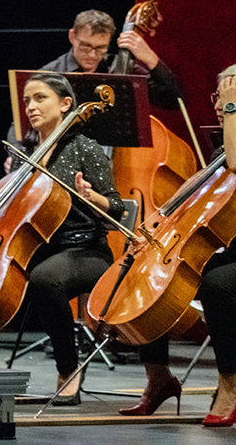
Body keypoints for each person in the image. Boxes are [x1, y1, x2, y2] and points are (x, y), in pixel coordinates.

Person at [117, 64, 236, 425]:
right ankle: (158, 378)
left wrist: (233, 110)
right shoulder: (225, 143)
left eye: (230, 96)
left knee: (217, 283)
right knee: (148, 276)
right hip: (229, 248)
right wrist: (161, 218)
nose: (220, 105)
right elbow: (206, 178)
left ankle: (229, 384)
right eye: (220, 96)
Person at [10, 74, 124, 403]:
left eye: (40, 98)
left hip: (85, 249)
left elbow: (116, 209)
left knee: (45, 279)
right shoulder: (24, 153)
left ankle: (68, 368)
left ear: (65, 104)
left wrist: (91, 196)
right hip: (35, 247)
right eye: (27, 100)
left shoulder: (84, 148)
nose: (30, 107)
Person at [41, 9, 182, 109]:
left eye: (101, 48)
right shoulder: (49, 74)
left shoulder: (121, 68)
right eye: (86, 46)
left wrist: (151, 58)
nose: (92, 55)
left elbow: (174, 101)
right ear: (72, 37)